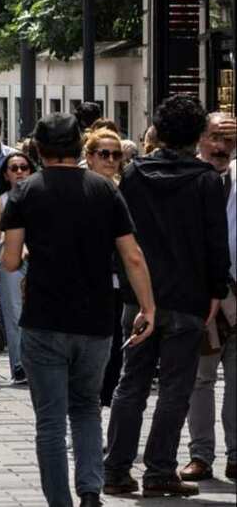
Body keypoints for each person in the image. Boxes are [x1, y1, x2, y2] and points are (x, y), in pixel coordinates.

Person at [0, 111, 156, 507]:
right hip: (96, 319)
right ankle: (90, 490)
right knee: (86, 407)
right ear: (76, 147)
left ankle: (60, 502)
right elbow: (132, 256)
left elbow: (11, 261)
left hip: (45, 320)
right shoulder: (105, 191)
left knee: (50, 420)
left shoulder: (25, 192)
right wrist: (148, 307)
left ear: (38, 149)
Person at [105, 95, 230, 498]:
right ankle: (159, 470)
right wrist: (215, 291)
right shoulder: (206, 180)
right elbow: (215, 244)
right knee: (176, 387)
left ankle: (117, 469)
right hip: (188, 297)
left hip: (141, 298)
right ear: (196, 135)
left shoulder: (136, 173)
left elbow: (123, 237)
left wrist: (129, 289)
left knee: (131, 384)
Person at [182, 112, 236, 483]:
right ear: (201, 138)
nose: (221, 147)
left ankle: (236, 454)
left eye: (229, 140)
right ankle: (200, 454)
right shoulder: (185, 179)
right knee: (200, 378)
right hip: (200, 296)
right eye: (215, 137)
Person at [83, 128, 128, 406]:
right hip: (85, 280)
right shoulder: (79, 189)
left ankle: (103, 405)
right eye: (104, 154)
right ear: (90, 157)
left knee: (115, 348)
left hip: (119, 280)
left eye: (116, 155)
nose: (111, 160)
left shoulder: (127, 188)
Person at [0, 151, 36, 385]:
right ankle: (19, 364)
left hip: (39, 263)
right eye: (14, 168)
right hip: (11, 263)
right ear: (6, 175)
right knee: (14, 314)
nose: (19, 172)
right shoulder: (0, 203)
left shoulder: (41, 198)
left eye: (24, 168)